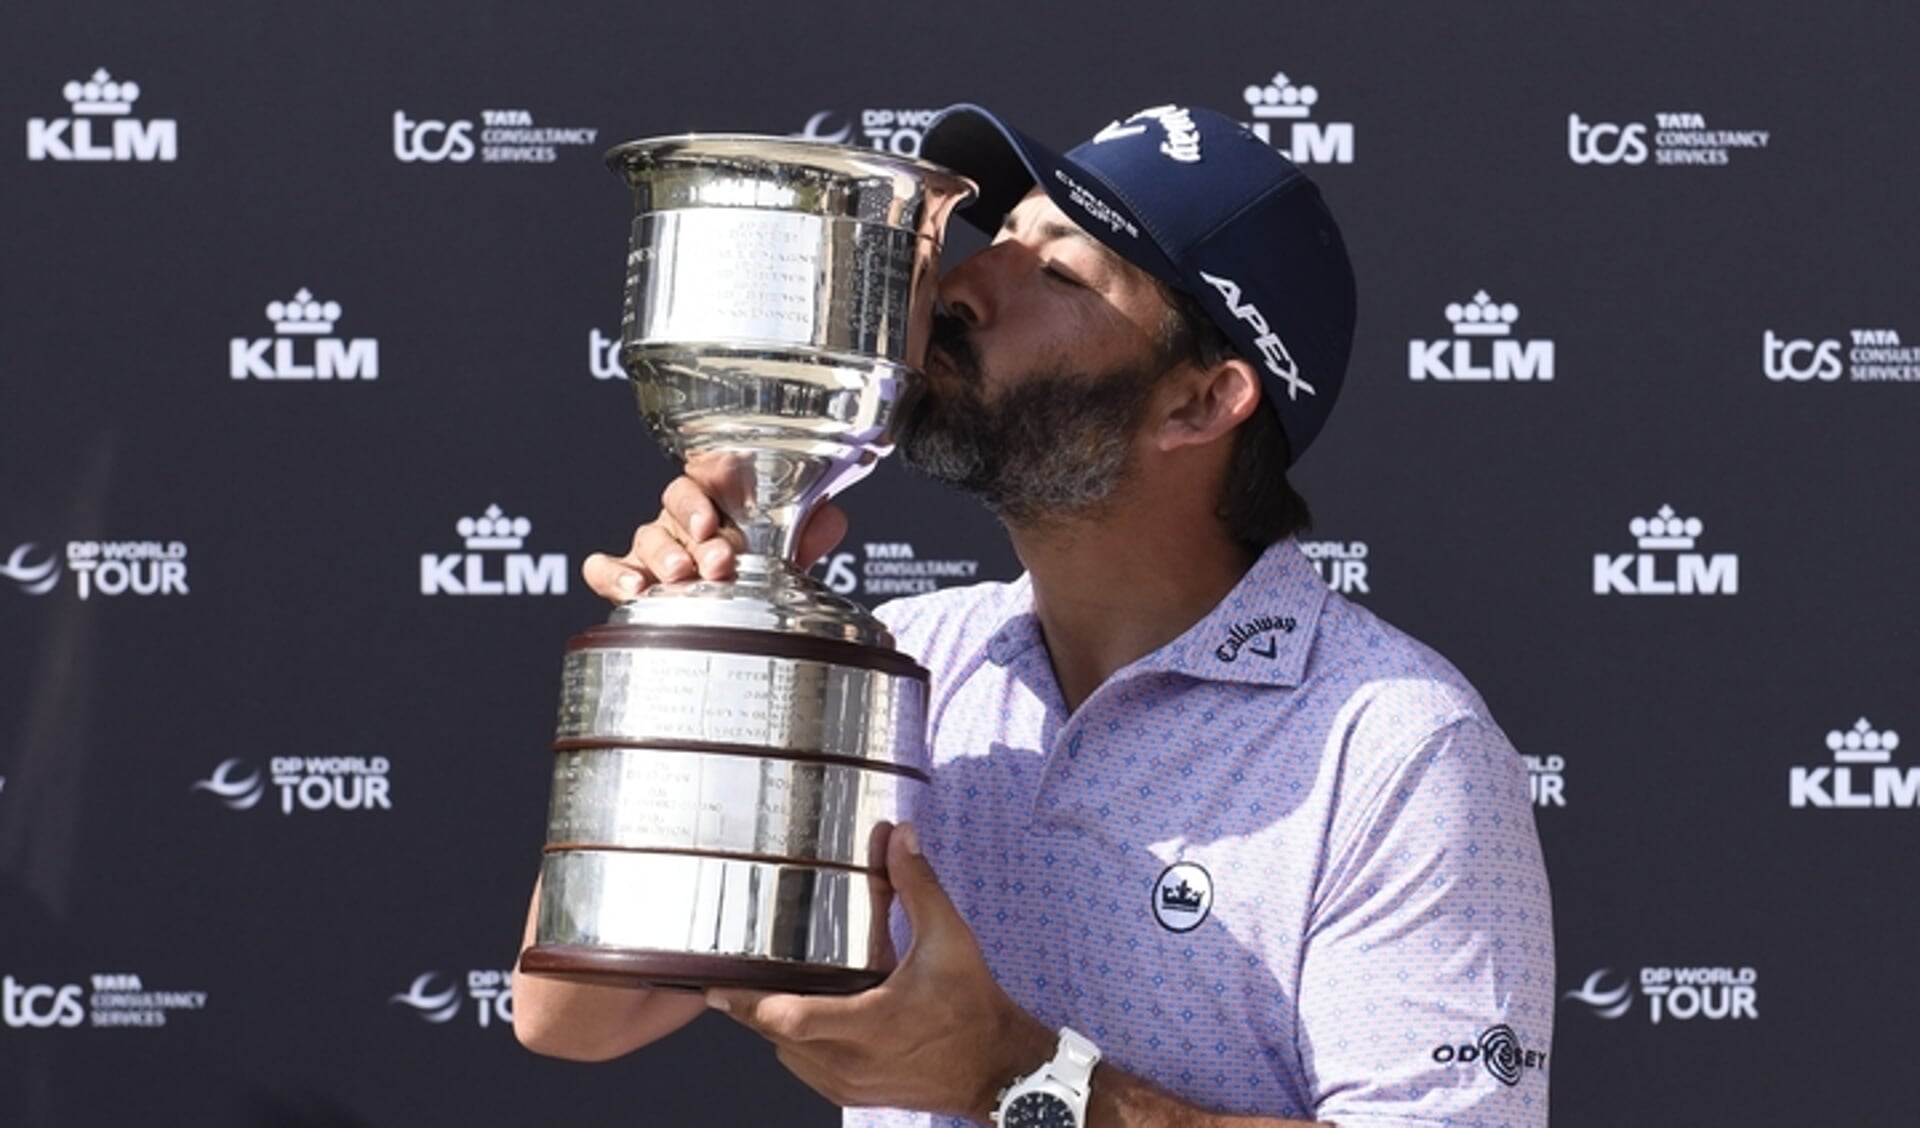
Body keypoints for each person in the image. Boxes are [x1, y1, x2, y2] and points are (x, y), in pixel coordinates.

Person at [513, 102, 1555, 1128]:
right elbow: (573, 1013)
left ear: (1201, 402)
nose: (960, 285)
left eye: (1056, 269)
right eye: (997, 237)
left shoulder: (1396, 749)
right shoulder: (910, 659)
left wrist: (1015, 1078)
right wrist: (708, 642)